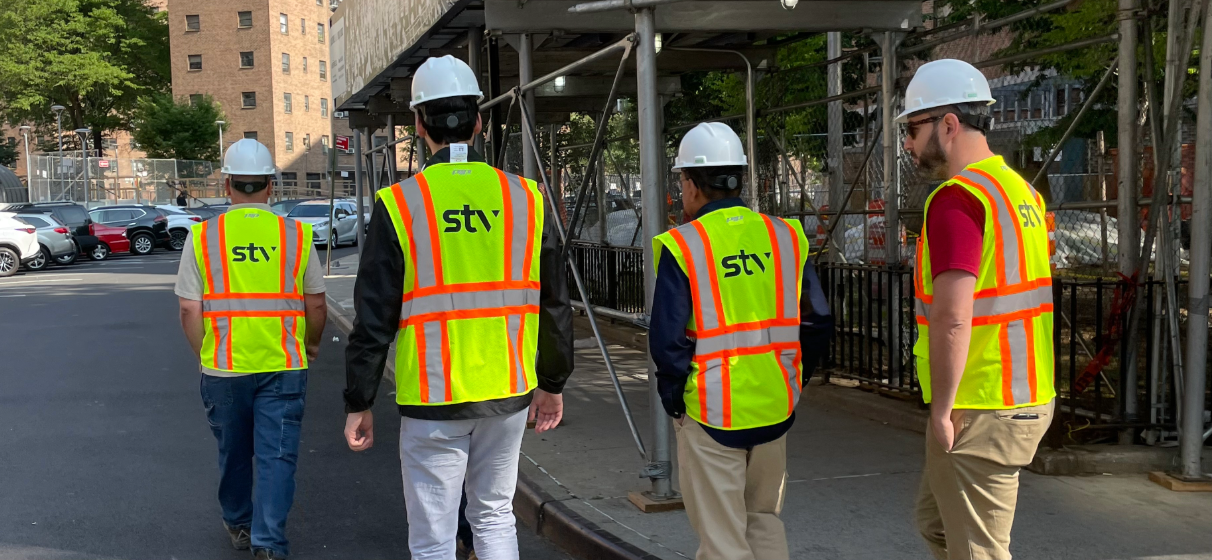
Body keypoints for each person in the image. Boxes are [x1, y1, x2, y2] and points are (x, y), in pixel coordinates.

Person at [342, 55, 574, 560]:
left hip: (432, 398)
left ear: (419, 124)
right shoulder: (528, 199)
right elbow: (555, 303)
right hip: (507, 391)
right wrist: (552, 384)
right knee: (494, 519)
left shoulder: (400, 203)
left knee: (433, 540)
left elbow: (373, 318)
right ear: (479, 121)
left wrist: (358, 399)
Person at [650, 122, 834, 560]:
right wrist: (791, 378)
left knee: (722, 540)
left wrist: (675, 400)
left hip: (711, 410)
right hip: (774, 403)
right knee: (763, 519)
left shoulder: (685, 245)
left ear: (693, 184)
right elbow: (818, 321)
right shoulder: (784, 236)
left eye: (682, 181)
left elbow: (668, 339)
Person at [899, 59, 1055, 560]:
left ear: (948, 124)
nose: (907, 144)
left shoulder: (957, 200)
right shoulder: (1020, 192)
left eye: (912, 128)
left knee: (979, 552)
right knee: (937, 524)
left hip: (981, 401)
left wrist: (941, 410)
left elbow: (952, 316)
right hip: (1022, 390)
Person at [175, 138, 328, 560]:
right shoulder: (297, 234)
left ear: (227, 185)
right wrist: (311, 344)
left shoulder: (203, 237)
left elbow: (190, 308)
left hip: (224, 370)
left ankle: (239, 522)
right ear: (271, 186)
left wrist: (204, 354)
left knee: (234, 451)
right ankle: (269, 543)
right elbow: (315, 302)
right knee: (277, 457)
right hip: (283, 365)